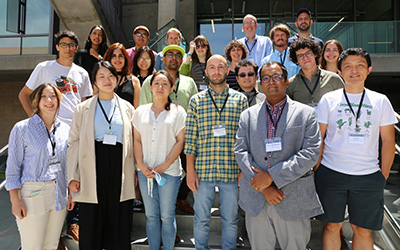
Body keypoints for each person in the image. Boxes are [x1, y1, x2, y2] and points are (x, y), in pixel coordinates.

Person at [234, 61, 323, 250]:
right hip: (257, 198)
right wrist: (263, 186)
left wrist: (272, 177)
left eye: (276, 77)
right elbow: (240, 151)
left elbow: (311, 152)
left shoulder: (306, 114)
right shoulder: (247, 115)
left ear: (286, 81)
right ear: (260, 83)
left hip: (292, 197)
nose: (271, 82)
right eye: (265, 78)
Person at [315, 48, 397, 250]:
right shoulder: (328, 99)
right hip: (331, 172)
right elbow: (319, 137)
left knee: (362, 228)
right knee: (332, 225)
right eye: (348, 66)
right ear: (340, 72)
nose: (354, 71)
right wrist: (318, 169)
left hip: (368, 175)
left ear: (369, 69)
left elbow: (388, 141)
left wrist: (383, 175)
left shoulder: (381, 100)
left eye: (360, 65)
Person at [67, 61, 136, 250]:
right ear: (94, 82)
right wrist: (73, 176)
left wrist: (136, 170)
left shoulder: (128, 107)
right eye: (101, 76)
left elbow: (135, 141)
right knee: (91, 222)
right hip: (92, 165)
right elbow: (73, 142)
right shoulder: (83, 108)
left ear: (117, 78)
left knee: (119, 221)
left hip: (119, 165)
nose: (107, 80)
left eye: (111, 76)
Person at [185, 55, 248, 249]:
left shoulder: (240, 100)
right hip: (203, 171)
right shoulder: (196, 101)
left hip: (231, 171)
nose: (217, 71)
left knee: (230, 220)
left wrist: (242, 171)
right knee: (201, 219)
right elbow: (190, 139)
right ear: (206, 72)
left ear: (228, 71)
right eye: (212, 67)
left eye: (221, 67)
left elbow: (245, 140)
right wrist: (190, 171)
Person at [6, 83, 72, 250]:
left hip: (59, 194)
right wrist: (15, 200)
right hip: (33, 194)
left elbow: (67, 165)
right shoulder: (22, 128)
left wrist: (70, 193)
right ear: (36, 101)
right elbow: (13, 168)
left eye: (53, 96)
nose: (49, 100)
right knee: (32, 247)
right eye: (44, 96)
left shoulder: (65, 129)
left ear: (59, 100)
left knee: (50, 246)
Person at [140, 45, 197, 215]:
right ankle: (161, 216)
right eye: (169, 54)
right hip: (158, 138)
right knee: (160, 175)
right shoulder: (151, 82)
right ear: (163, 59)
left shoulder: (189, 82)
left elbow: (195, 109)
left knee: (193, 170)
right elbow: (143, 111)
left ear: (182, 60)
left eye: (178, 55)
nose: (174, 58)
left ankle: (180, 198)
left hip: (184, 137)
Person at [133, 70, 186, 250]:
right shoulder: (140, 112)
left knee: (167, 216)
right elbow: (137, 140)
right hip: (145, 173)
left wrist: (164, 165)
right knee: (151, 216)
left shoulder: (178, 112)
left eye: (165, 84)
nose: (160, 87)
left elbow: (180, 142)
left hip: (169, 173)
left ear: (171, 88)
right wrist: (140, 165)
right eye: (157, 83)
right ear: (150, 87)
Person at [18, 30, 93, 125]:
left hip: (75, 127)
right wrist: (35, 120)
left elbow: (84, 104)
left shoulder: (82, 73)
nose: (68, 48)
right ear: (57, 47)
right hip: (51, 126)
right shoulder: (44, 67)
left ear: (76, 48)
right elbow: (23, 94)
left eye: (71, 45)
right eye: (63, 45)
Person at [288, 37, 343, 107]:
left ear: (315, 54)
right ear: (296, 61)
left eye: (308, 53)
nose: (305, 58)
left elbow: (345, 104)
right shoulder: (291, 84)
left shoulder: (334, 79)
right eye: (300, 56)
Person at [104, 42, 141, 108]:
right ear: (109, 58)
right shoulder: (102, 79)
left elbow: (136, 109)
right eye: (114, 56)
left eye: (120, 56)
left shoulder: (134, 81)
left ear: (125, 58)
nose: (117, 59)